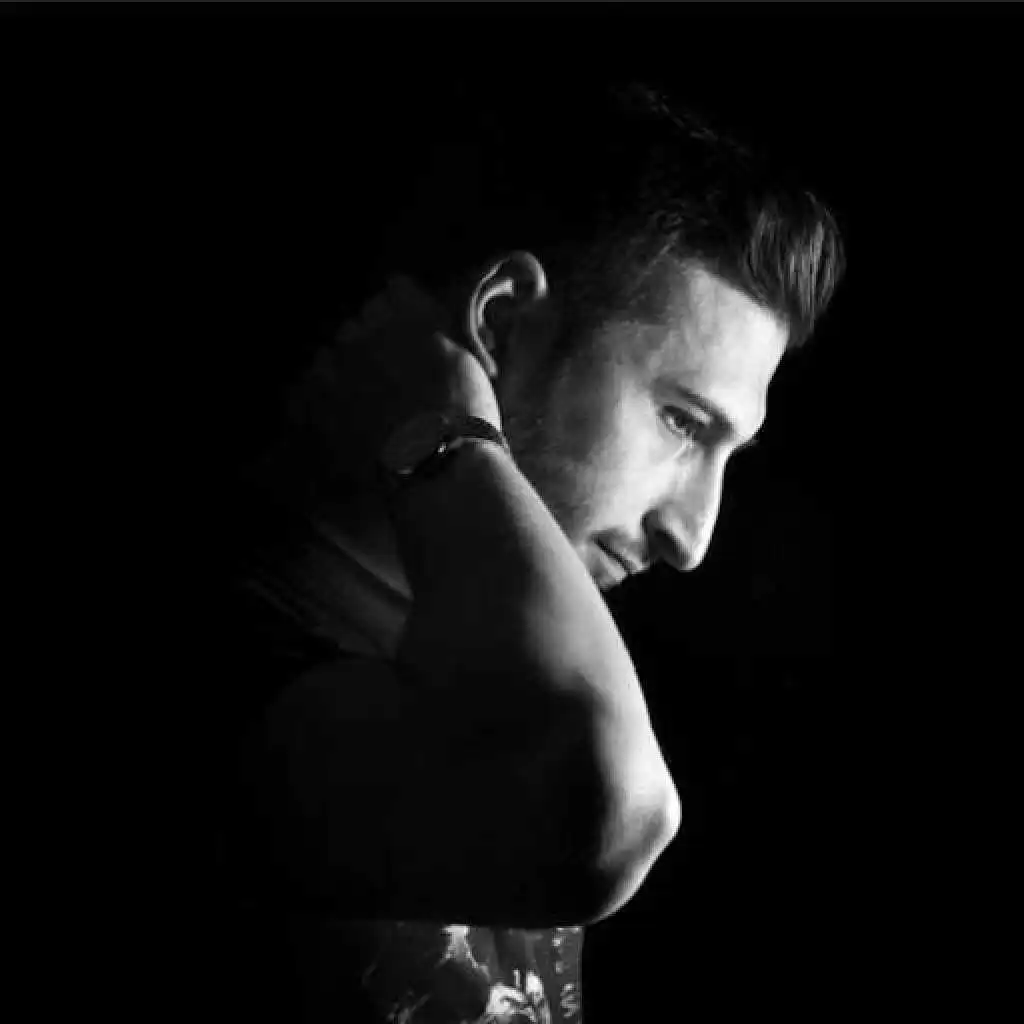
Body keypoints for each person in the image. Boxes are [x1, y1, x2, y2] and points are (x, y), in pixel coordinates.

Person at [212, 78, 845, 1023]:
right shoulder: (245, 674)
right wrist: (448, 432)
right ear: (502, 323)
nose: (691, 539)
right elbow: (613, 814)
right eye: (681, 421)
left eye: (727, 453)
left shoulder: (506, 679)